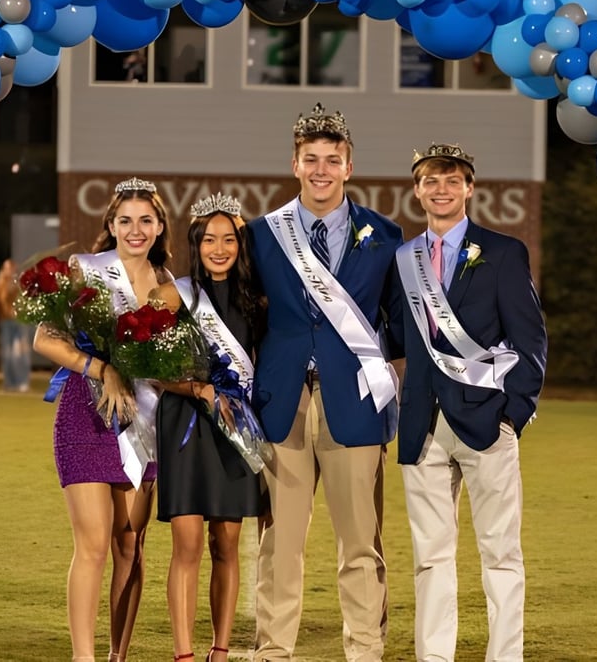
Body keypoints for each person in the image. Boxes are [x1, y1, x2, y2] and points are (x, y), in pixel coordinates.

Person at [247, 103, 404, 662]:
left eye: (331, 160)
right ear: (294, 164)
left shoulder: (385, 235)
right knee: (279, 541)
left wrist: (391, 387)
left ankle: (365, 649)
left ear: (348, 166)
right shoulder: (261, 235)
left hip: (355, 404)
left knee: (361, 541)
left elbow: (399, 325)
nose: (321, 170)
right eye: (310, 159)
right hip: (281, 402)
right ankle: (272, 649)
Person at [391, 143, 547, 662]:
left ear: (469, 188)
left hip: (487, 422)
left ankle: (505, 656)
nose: (442, 190)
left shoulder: (502, 252)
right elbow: (399, 335)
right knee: (430, 557)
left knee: (501, 553)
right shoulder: (404, 259)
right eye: (431, 181)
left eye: (452, 180)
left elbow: (530, 339)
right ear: (417, 191)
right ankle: (435, 656)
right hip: (422, 423)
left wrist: (514, 414)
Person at [32, 177, 172, 662]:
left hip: (143, 420)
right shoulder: (85, 271)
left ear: (159, 226)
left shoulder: (168, 286)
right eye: (125, 220)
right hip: (86, 415)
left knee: (129, 546)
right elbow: (45, 339)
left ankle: (117, 655)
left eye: (146, 220)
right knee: (92, 544)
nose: (136, 230)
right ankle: (84, 657)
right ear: (111, 225)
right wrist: (103, 368)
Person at [150, 193, 265, 661]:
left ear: (240, 244)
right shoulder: (171, 296)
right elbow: (149, 367)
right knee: (188, 543)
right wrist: (197, 389)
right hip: (184, 424)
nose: (219, 249)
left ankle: (220, 650)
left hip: (232, 426)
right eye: (209, 240)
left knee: (227, 543)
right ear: (195, 244)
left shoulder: (256, 301)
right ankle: (184, 654)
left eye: (229, 239)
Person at [0, 258, 32, 392]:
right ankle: (10, 383)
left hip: (19, 323)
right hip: (6, 323)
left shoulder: (20, 283)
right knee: (7, 354)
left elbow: (26, 300)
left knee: (20, 353)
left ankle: (22, 382)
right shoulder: (1, 284)